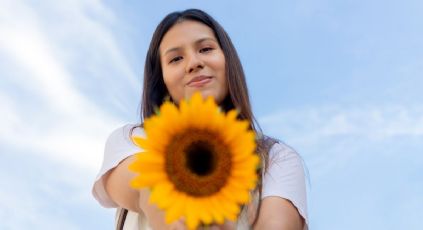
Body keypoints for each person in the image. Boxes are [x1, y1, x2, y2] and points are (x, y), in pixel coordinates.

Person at [92, 9, 308, 230]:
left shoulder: (276, 159)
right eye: (176, 58)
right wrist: (155, 198)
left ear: (227, 60)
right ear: (162, 80)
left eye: (206, 49)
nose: (193, 63)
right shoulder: (135, 139)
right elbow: (124, 184)